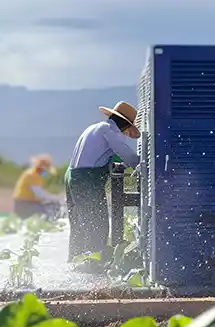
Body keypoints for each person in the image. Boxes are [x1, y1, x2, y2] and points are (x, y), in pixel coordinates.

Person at [65, 101, 140, 264]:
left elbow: (106, 155)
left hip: (72, 176)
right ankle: (93, 269)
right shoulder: (110, 131)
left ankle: (74, 264)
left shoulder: (94, 128)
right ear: (125, 124)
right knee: (97, 225)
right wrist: (144, 165)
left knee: (78, 225)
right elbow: (129, 156)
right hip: (87, 180)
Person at [12, 154, 63, 220]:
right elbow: (40, 194)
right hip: (24, 205)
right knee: (51, 210)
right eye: (47, 166)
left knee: (53, 205)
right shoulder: (33, 175)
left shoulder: (35, 174)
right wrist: (58, 198)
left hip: (26, 204)